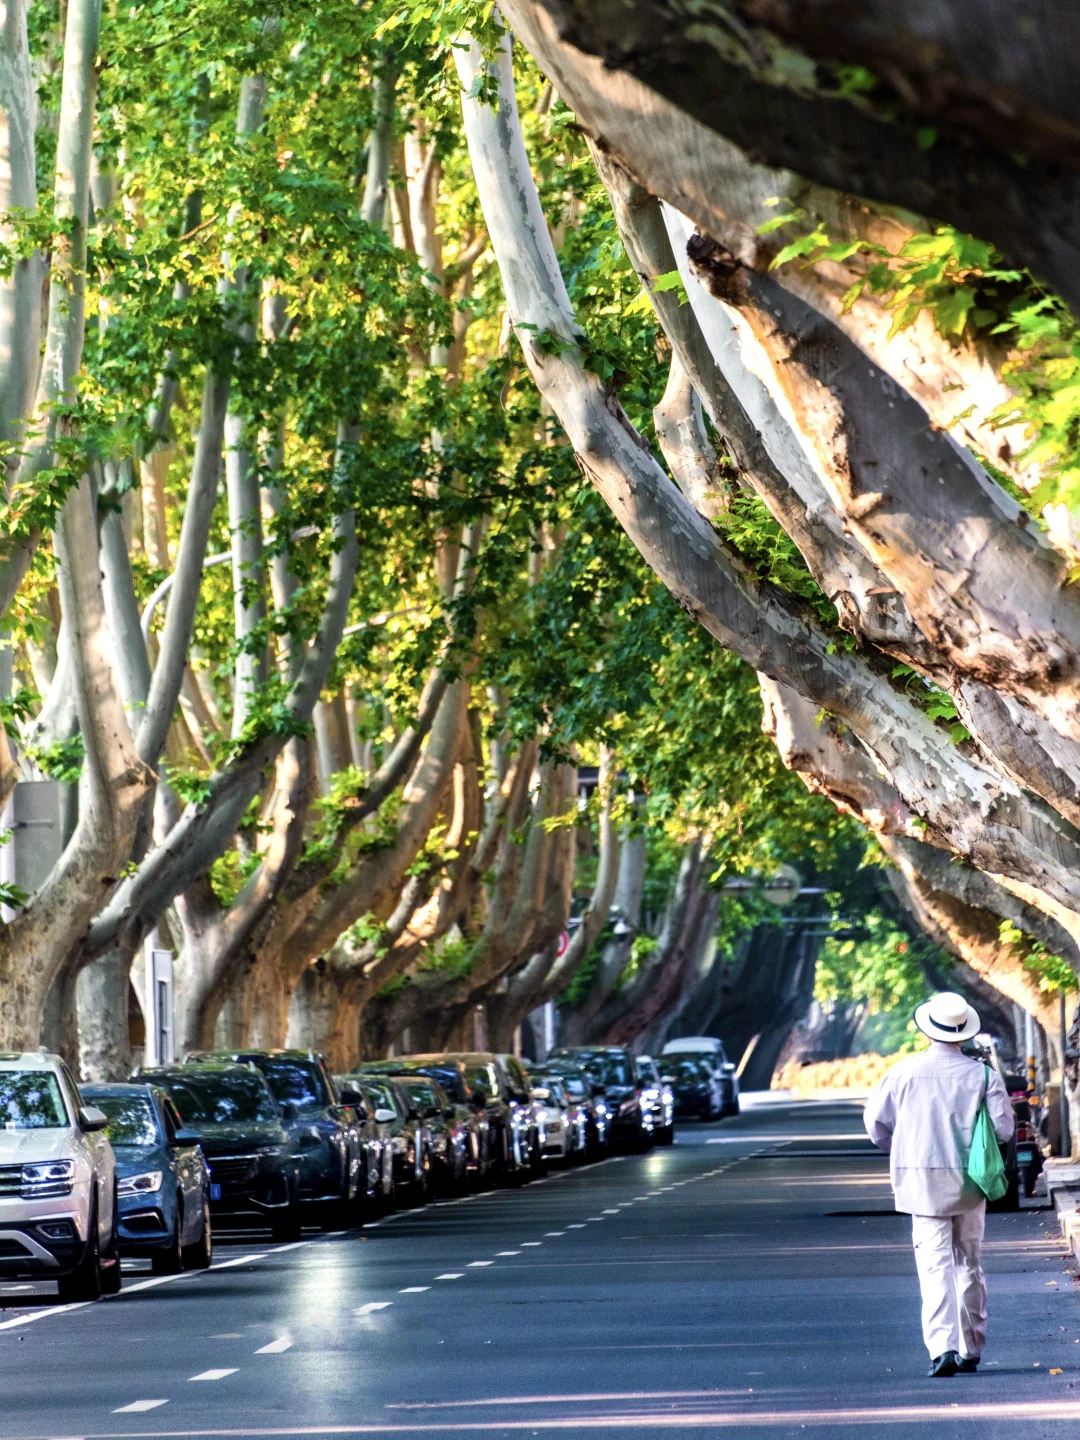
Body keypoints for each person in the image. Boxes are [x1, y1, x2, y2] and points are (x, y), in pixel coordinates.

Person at [864, 992, 1014, 1378]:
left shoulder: (901, 1073)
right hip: (970, 1181)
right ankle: (971, 1347)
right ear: (963, 1033)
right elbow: (1003, 1129)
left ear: (928, 1029)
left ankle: (941, 1348)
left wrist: (900, 1147)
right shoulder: (983, 1074)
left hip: (919, 1181)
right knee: (969, 1263)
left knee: (934, 1266)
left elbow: (876, 1126)